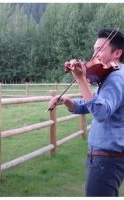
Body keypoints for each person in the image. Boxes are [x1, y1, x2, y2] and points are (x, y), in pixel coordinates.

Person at [49, 28, 124, 196]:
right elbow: (91, 103)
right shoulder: (113, 75)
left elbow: (100, 112)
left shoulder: (115, 78)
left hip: (107, 159)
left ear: (117, 53)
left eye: (99, 50)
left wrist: (81, 80)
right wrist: (69, 101)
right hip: (110, 157)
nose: (94, 55)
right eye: (94, 49)